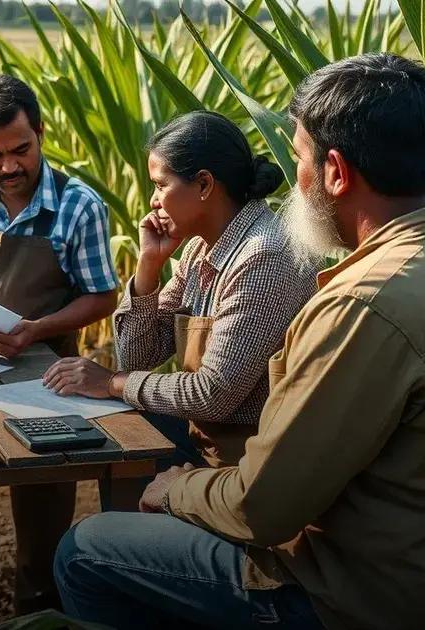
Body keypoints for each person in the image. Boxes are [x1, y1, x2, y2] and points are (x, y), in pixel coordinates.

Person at [54, 53, 425, 630]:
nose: (290, 180)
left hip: (351, 592)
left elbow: (261, 509)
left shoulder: (362, 303)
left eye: (297, 157)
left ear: (335, 172)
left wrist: (176, 491)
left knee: (83, 552)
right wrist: (147, 276)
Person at [0, 75, 119, 612]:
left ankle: (38, 607)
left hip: (45, 375)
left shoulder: (80, 207)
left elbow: (102, 297)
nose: (9, 167)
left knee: (41, 497)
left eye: (21, 150)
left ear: (41, 133)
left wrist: (35, 330)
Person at [42, 111, 317, 470]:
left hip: (251, 462)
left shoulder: (264, 256)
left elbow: (212, 394)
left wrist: (111, 382)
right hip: (207, 441)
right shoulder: (200, 248)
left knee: (119, 423)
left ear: (203, 185)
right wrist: (148, 267)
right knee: (116, 422)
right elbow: (138, 360)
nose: (154, 200)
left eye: (160, 185)